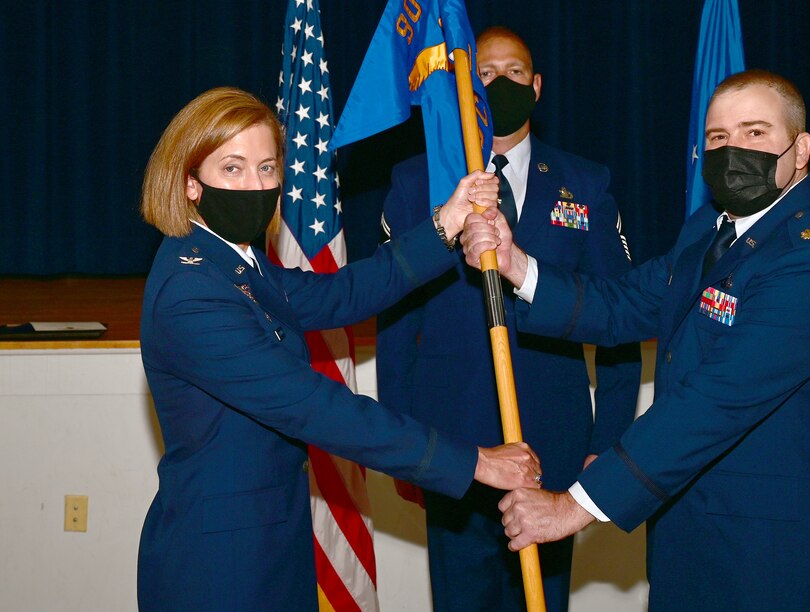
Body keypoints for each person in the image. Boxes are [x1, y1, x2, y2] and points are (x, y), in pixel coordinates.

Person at [462, 70, 810, 611]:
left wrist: (573, 506)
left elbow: (712, 404)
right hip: (690, 550)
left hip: (775, 567)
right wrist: (518, 264)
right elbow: (625, 303)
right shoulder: (711, 227)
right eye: (718, 137)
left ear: (799, 149)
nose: (734, 149)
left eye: (755, 133)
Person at [136, 86, 541, 612]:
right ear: (191, 183)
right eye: (232, 168)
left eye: (266, 168)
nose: (255, 185)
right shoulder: (192, 289)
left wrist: (447, 222)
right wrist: (476, 462)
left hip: (269, 544)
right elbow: (314, 406)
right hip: (220, 564)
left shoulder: (235, 265)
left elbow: (341, 293)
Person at [377, 26, 640, 611]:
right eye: (486, 75)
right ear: (468, 90)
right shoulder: (419, 181)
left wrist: (609, 440)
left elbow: (618, 319)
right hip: (452, 439)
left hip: (556, 440)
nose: (501, 84)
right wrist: (401, 437)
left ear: (538, 86)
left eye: (515, 73)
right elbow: (395, 321)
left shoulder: (586, 184)